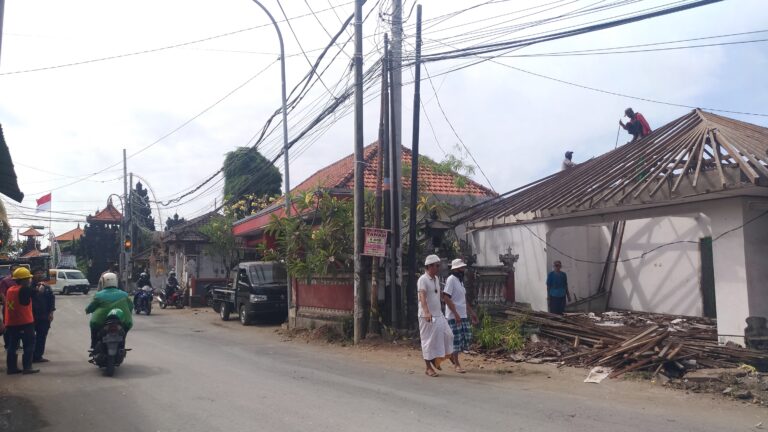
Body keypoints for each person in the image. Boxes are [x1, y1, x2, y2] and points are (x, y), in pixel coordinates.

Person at [417, 255, 454, 378]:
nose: (438, 268)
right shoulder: (423, 279)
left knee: (448, 335)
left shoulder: (436, 279)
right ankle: (428, 368)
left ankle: (437, 359)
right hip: (426, 315)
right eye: (437, 265)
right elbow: (422, 296)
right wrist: (427, 312)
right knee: (427, 341)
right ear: (430, 266)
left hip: (438, 314)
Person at [442, 259, 478, 374]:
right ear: (456, 269)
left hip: (463, 314)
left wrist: (471, 313)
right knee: (457, 340)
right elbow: (446, 297)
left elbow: (463, 300)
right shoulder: (451, 280)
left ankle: (452, 356)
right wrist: (456, 314)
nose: (463, 270)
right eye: (461, 268)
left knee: (466, 337)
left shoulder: (460, 281)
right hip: (454, 315)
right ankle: (456, 364)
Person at [4, 267, 39, 375]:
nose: (30, 280)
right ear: (24, 280)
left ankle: (11, 368)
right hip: (24, 323)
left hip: (11, 324)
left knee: (12, 346)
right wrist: (39, 288)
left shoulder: (10, 290)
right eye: (28, 278)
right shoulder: (24, 289)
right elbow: (36, 291)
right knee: (29, 345)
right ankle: (27, 367)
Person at [85, 272, 133, 350]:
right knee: (124, 332)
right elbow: (131, 306)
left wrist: (87, 310)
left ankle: (94, 344)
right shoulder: (124, 294)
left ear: (104, 282)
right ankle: (122, 344)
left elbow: (91, 308)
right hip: (123, 321)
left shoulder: (98, 295)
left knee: (93, 327)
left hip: (101, 321)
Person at [31, 270, 55, 363]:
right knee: (30, 338)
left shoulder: (47, 287)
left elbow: (51, 300)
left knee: (41, 336)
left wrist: (51, 313)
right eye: (38, 273)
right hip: (30, 316)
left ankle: (38, 356)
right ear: (32, 275)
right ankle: (29, 357)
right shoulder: (28, 287)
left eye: (41, 273)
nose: (40, 275)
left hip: (44, 316)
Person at [0, 265, 19, 349]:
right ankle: (8, 344)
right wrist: (7, 305)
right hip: (9, 307)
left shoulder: (22, 280)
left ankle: (17, 344)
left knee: (19, 325)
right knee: (8, 325)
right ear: (10, 271)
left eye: (17, 269)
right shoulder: (6, 281)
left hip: (20, 308)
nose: (15, 271)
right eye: (13, 270)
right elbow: (2, 294)